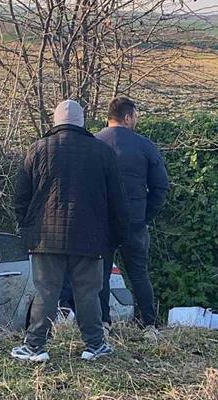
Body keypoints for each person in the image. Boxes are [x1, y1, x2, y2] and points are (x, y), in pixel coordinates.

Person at [11, 100, 128, 363]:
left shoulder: (37, 149)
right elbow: (117, 200)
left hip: (45, 237)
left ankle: (35, 346)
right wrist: (118, 235)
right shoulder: (102, 152)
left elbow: (21, 197)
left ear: (55, 121)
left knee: (46, 291)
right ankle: (94, 345)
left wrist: (27, 228)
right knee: (88, 292)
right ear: (82, 121)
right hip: (90, 237)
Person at [96, 97, 169, 337]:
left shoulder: (94, 143)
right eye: (135, 116)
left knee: (100, 274)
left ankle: (103, 324)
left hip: (102, 222)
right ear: (127, 117)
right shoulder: (144, 146)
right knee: (139, 273)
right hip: (134, 220)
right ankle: (149, 325)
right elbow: (160, 186)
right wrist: (146, 215)